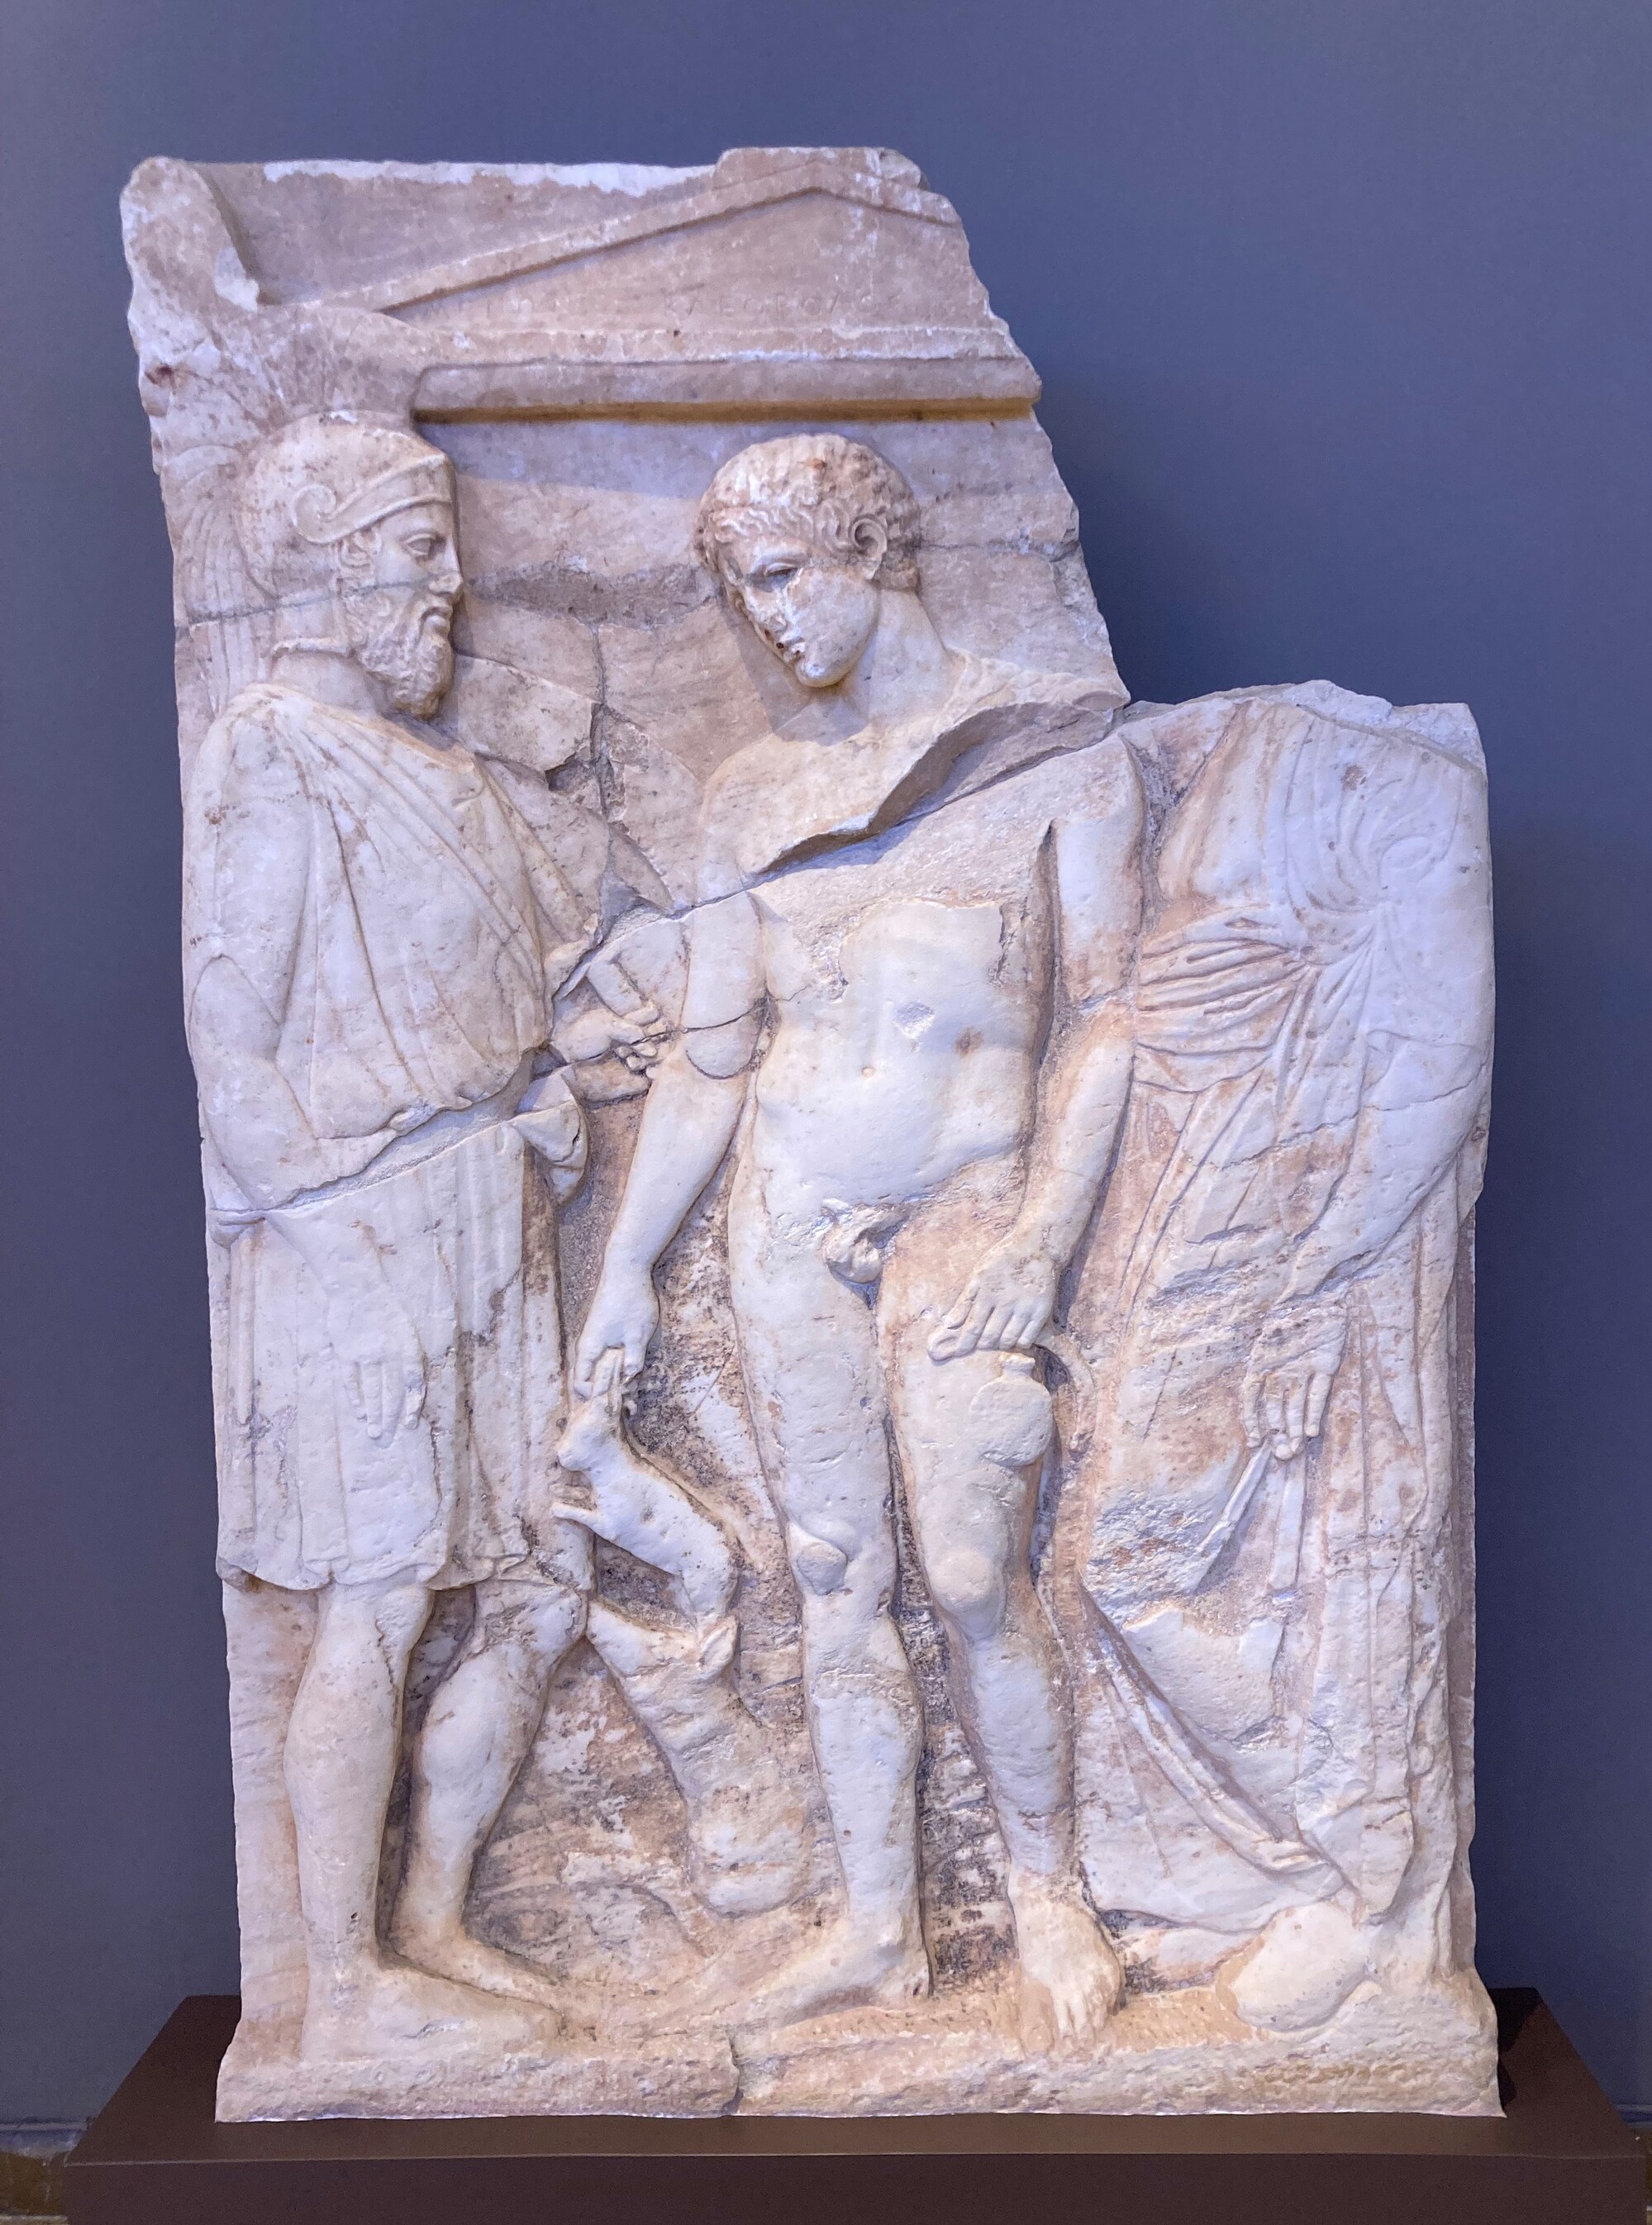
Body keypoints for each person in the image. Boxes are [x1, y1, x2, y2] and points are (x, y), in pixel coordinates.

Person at [574, 434, 1137, 2042]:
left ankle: (1047, 1896)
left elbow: (1105, 1018)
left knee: (971, 1570)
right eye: (738, 595)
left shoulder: (1050, 749)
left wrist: (1043, 1240)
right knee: (835, 1576)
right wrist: (626, 1269)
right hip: (787, 1221)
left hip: (965, 1215)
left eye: (781, 577)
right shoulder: (749, 797)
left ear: (870, 550)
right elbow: (714, 1055)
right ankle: (884, 1929)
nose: (765, 620)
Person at [188, 412, 661, 2059]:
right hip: (362, 1233)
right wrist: (333, 1235)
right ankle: (338, 1987)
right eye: (416, 548)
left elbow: (504, 1005)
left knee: (536, 1581)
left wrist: (544, 1099)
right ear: (326, 569)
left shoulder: (446, 778)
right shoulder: (276, 753)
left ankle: (435, 1921)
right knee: (376, 1601)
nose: (451, 581)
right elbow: (237, 1058)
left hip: (479, 1215)